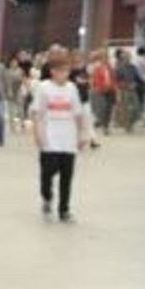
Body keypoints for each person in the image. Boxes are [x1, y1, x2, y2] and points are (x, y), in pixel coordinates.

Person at [30, 46, 91, 222]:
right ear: (53, 72)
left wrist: (82, 134)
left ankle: (64, 210)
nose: (65, 74)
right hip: (49, 139)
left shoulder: (72, 88)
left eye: (67, 71)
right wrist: (37, 134)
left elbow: (78, 114)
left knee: (66, 177)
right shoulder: (43, 88)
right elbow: (36, 113)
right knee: (47, 174)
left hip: (68, 141)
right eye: (62, 71)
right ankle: (47, 197)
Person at [113, 49, 142, 133]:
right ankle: (127, 125)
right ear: (122, 59)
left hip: (133, 90)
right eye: (125, 58)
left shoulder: (133, 68)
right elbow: (116, 80)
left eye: (128, 57)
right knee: (125, 109)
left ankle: (131, 121)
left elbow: (138, 79)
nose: (127, 59)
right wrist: (123, 85)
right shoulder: (119, 68)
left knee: (136, 108)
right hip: (124, 91)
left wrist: (136, 84)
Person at [88, 49, 116, 133]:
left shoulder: (110, 67)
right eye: (104, 57)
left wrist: (114, 88)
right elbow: (96, 79)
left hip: (110, 89)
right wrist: (101, 88)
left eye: (107, 57)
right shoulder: (97, 68)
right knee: (103, 107)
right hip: (101, 90)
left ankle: (106, 125)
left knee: (109, 108)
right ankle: (104, 125)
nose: (105, 59)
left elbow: (113, 78)